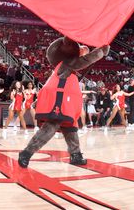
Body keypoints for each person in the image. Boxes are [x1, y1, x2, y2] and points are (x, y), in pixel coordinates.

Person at [18, 38, 109, 168]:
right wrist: (101, 51)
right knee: (51, 126)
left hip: (65, 102)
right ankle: (26, 153)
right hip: (60, 100)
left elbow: (50, 85)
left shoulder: (67, 67)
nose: (83, 51)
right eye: (82, 49)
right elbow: (87, 60)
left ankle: (75, 155)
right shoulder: (68, 62)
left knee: (70, 127)